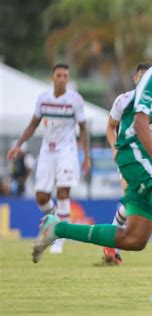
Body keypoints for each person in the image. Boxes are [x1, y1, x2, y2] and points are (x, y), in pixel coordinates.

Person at [32, 28, 152, 302]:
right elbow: (139, 121)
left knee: (133, 240)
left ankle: (57, 227)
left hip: (149, 158)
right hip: (136, 153)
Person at [7, 63, 90, 254]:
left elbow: (84, 129)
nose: (62, 79)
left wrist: (86, 156)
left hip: (67, 151)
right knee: (41, 196)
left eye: (65, 76)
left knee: (63, 192)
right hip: (47, 151)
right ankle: (53, 222)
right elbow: (33, 124)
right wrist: (18, 145)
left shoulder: (75, 100)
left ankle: (59, 239)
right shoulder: (43, 99)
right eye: (59, 75)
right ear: (52, 78)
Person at [102, 62, 151, 265]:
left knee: (134, 204)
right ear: (135, 78)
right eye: (142, 76)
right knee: (131, 200)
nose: (145, 80)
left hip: (149, 161)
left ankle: (110, 245)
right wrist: (114, 147)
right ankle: (111, 247)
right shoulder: (123, 100)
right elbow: (110, 127)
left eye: (149, 76)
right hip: (128, 158)